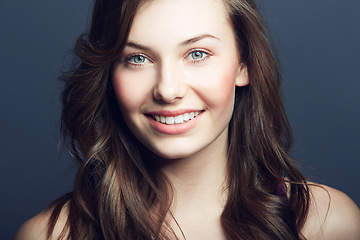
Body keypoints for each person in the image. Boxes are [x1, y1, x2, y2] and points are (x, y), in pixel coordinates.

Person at [14, 0, 360, 239]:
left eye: (197, 54)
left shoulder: (328, 224)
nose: (167, 89)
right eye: (137, 58)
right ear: (108, 71)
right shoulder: (51, 236)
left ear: (244, 64)